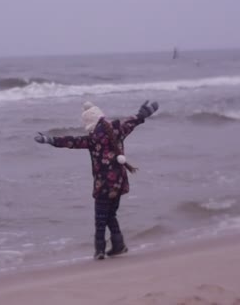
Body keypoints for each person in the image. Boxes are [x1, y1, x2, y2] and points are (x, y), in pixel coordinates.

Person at [34, 100, 159, 260]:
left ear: (89, 123)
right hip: (119, 183)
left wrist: (49, 140)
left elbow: (71, 141)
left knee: (100, 218)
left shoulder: (92, 139)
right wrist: (144, 113)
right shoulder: (118, 130)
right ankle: (118, 245)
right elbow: (132, 121)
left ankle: (100, 250)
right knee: (111, 214)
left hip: (103, 185)